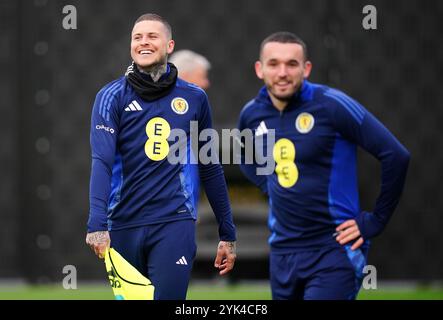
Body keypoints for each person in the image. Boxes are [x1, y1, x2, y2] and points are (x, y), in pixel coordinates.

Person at [237, 32, 410, 300]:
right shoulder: (251, 113)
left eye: (291, 64)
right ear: (260, 69)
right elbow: (244, 155)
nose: (282, 72)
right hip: (282, 252)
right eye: (273, 64)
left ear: (306, 69)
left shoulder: (331, 104)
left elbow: (396, 155)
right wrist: (269, 184)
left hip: (333, 250)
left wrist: (375, 221)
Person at [85, 13, 236, 300]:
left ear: (169, 45)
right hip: (123, 223)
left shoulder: (194, 97)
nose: (143, 42)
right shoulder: (110, 96)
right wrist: (97, 224)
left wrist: (227, 232)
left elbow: (210, 166)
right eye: (137, 37)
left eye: (152, 36)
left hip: (174, 221)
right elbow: (101, 162)